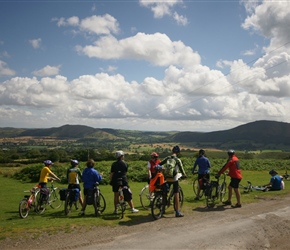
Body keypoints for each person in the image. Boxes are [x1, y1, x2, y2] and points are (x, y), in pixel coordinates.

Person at [159, 145, 187, 217]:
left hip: (167, 177)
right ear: (178, 152)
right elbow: (182, 170)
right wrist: (184, 175)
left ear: (172, 151)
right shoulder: (178, 160)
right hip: (174, 178)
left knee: (165, 192)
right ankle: (177, 212)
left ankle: (163, 209)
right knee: (176, 193)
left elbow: (160, 164)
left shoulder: (168, 158)